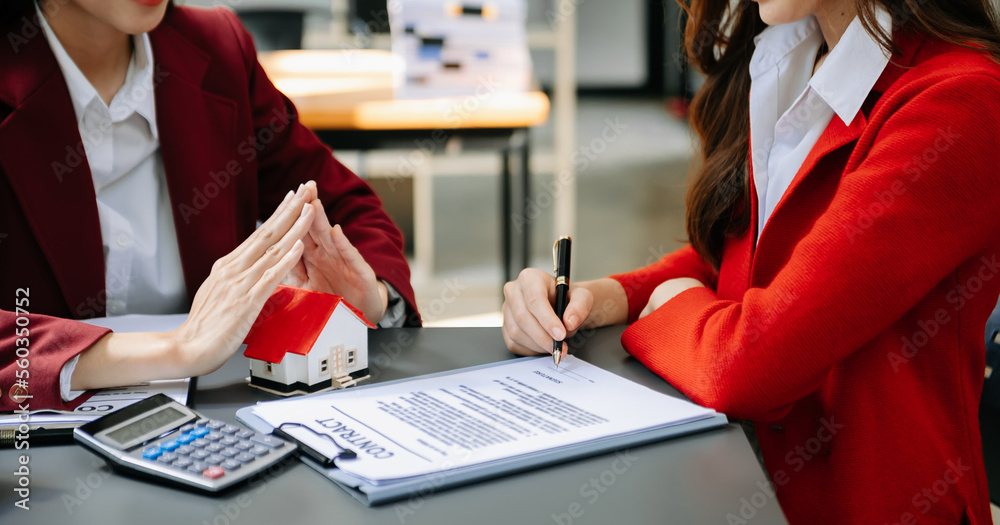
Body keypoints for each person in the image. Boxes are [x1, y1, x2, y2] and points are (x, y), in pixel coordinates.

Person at [502, 0, 1000, 522]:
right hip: (741, 483)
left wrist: (673, 307)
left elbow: (751, 365)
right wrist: (603, 298)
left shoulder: (959, 101)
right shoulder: (795, 55)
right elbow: (747, 262)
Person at [0, 0, 421, 412]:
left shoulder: (217, 46)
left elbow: (343, 206)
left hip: (222, 411)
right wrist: (174, 348)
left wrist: (371, 299)